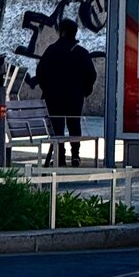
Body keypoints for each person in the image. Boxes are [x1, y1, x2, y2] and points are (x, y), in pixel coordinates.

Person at [36, 18, 97, 167]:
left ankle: (60, 157)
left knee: (57, 128)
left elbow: (40, 73)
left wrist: (48, 89)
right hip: (74, 97)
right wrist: (84, 91)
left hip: (54, 97)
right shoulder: (82, 53)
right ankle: (75, 155)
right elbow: (91, 74)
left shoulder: (51, 50)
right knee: (74, 125)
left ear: (61, 32)